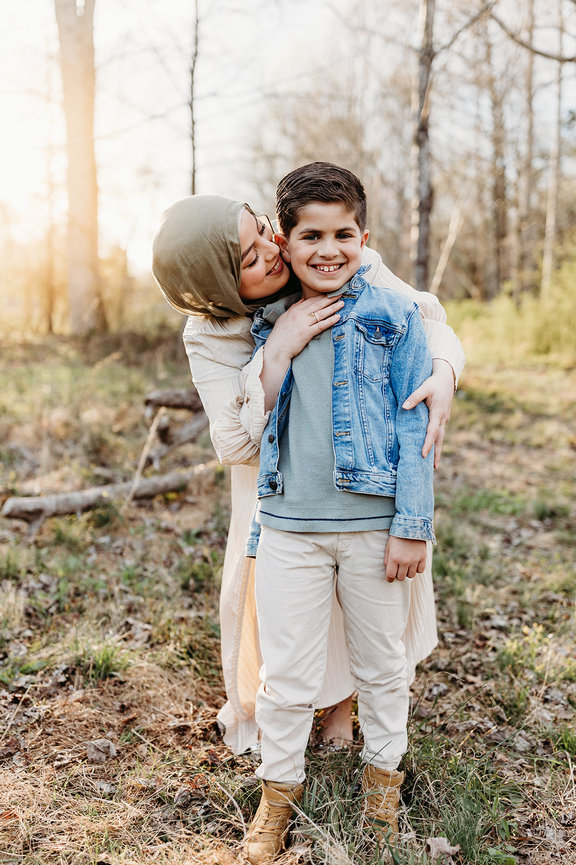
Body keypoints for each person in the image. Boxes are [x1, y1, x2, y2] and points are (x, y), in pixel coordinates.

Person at [151, 191, 465, 760]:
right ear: (217, 284)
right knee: (287, 607)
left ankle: (343, 706)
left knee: (360, 586)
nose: (272, 252)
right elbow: (233, 442)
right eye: (247, 259)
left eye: (263, 231)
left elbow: (425, 318)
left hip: (363, 472)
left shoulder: (323, 251)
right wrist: (279, 351)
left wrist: (443, 372)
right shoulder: (209, 333)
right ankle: (288, 704)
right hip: (274, 484)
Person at [241, 162, 444, 864]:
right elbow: (248, 415)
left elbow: (417, 424)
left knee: (383, 664)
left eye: (343, 234)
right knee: (287, 673)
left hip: (372, 525)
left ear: (365, 236)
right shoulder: (268, 321)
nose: (328, 249)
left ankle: (382, 791)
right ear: (285, 242)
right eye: (310, 236)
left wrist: (411, 524)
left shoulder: (394, 315)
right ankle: (276, 802)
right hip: (291, 526)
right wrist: (279, 343)